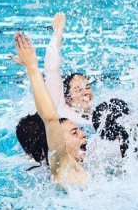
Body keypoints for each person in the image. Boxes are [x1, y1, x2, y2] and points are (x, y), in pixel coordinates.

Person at [13, 32, 88, 187]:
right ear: (58, 143)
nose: (83, 133)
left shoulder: (81, 167)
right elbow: (50, 118)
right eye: (74, 132)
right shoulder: (63, 166)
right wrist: (32, 67)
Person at [11, 13, 94, 125]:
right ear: (67, 98)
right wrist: (58, 31)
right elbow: (51, 70)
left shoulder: (96, 115)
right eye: (78, 89)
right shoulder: (62, 111)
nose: (86, 92)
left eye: (87, 87)